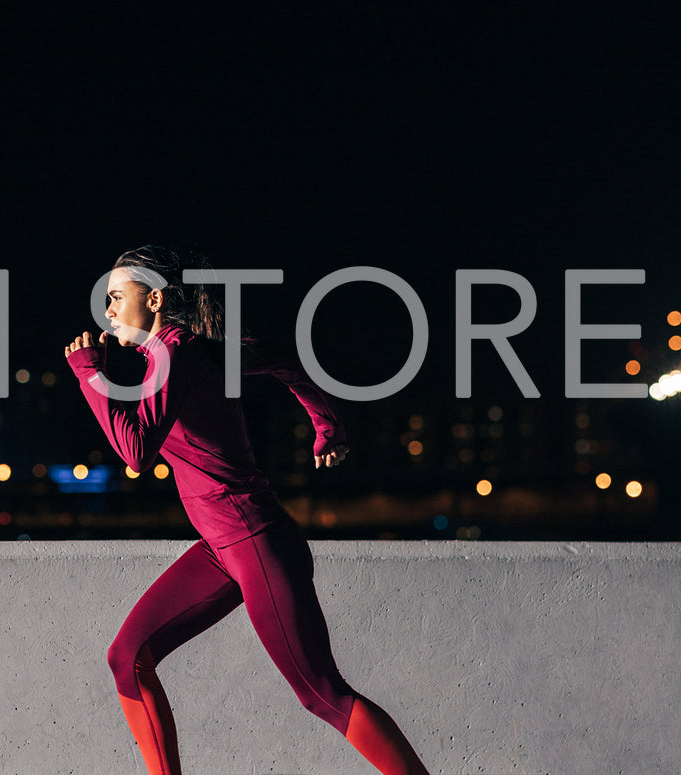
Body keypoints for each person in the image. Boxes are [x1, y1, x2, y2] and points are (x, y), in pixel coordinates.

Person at [63, 245, 430, 775]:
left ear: (157, 299)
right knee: (128, 657)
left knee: (321, 694)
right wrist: (327, 425)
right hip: (222, 547)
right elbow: (284, 359)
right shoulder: (187, 354)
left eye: (117, 297)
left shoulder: (177, 354)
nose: (109, 311)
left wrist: (88, 373)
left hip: (255, 540)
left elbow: (136, 452)